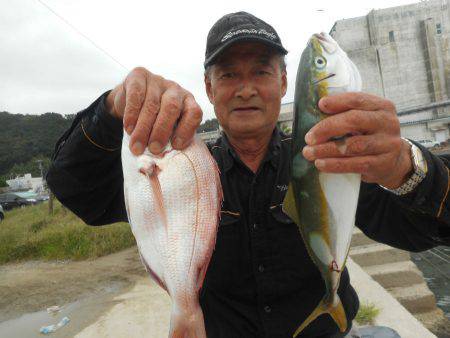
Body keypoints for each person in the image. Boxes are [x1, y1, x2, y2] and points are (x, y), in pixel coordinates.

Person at [46, 11, 450, 338]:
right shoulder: (180, 172)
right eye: (228, 75)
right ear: (208, 87)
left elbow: (426, 231)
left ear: (284, 82)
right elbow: (78, 191)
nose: (245, 89)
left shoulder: (329, 162)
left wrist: (405, 168)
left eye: (260, 72)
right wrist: (113, 108)